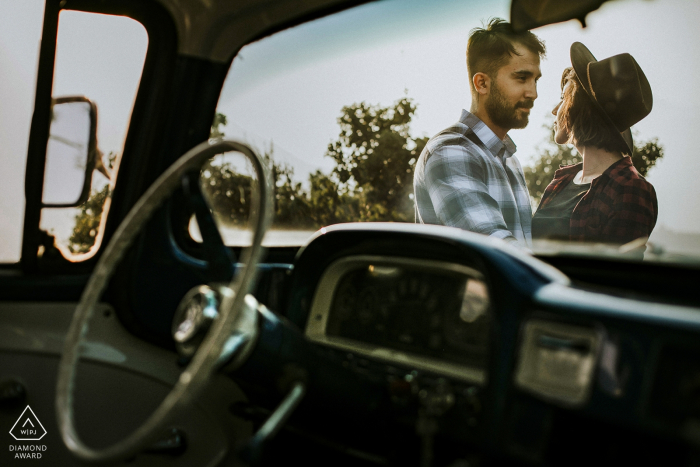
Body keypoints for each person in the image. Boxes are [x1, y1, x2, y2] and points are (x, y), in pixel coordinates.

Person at [414, 18, 545, 247]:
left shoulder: (510, 160)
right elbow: (499, 251)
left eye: (536, 80)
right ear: (482, 83)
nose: (533, 93)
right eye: (522, 78)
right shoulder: (452, 151)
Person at [532, 42, 657, 245]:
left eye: (563, 97)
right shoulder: (561, 180)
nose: (555, 110)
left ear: (581, 108)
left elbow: (612, 273)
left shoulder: (631, 189)